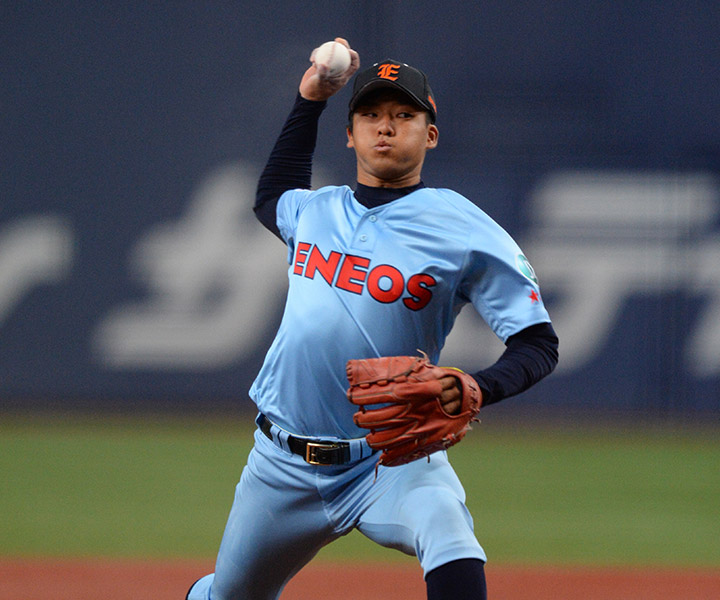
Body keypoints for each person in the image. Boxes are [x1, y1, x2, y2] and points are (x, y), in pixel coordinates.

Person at [186, 38, 558, 600]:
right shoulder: (316, 210)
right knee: (230, 595)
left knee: (448, 532)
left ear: (430, 135)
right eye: (371, 115)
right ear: (350, 134)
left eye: (404, 115)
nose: (385, 126)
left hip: (393, 453)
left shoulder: (464, 229)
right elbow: (272, 196)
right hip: (281, 462)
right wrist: (310, 99)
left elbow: (538, 343)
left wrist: (479, 386)